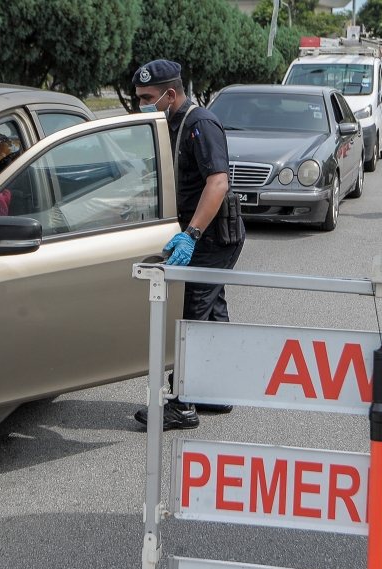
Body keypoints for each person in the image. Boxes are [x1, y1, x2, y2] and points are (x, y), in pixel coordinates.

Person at [131, 59, 246, 431]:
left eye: (148, 98)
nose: (142, 104)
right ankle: (215, 390)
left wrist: (191, 234)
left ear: (170, 93)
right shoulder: (171, 121)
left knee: (193, 317)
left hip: (212, 237)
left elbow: (218, 183)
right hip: (205, 235)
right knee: (212, 311)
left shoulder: (200, 124)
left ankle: (181, 403)